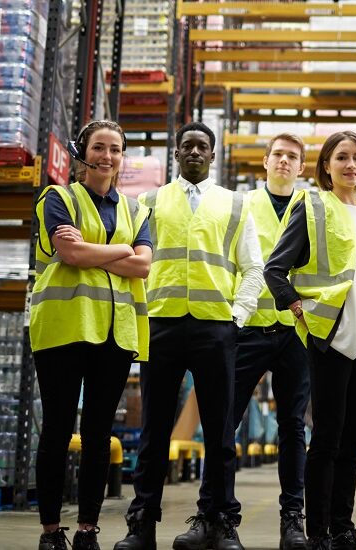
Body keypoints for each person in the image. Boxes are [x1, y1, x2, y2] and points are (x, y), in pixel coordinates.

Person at [114, 121, 262, 550]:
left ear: (212, 155)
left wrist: (237, 316)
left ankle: (220, 521)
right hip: (161, 325)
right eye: (187, 146)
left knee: (219, 433)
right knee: (154, 432)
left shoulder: (234, 204)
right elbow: (134, 261)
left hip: (215, 328)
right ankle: (142, 524)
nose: (195, 152)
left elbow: (252, 267)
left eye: (202, 146)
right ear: (176, 154)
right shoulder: (149, 202)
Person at [265, 131, 356, 550]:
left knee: (353, 441)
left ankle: (343, 528)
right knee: (327, 438)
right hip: (332, 337)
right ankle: (319, 533)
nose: (351, 165)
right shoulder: (312, 207)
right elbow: (275, 269)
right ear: (326, 166)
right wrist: (298, 308)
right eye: (341, 157)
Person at [31, 120, 152, 550]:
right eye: (99, 147)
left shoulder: (137, 210)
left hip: (115, 334)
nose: (107, 156)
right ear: (82, 152)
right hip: (63, 329)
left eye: (115, 149)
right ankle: (50, 532)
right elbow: (69, 252)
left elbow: (143, 266)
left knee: (99, 435)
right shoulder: (58, 198)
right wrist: (121, 249)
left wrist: (93, 252)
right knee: (57, 430)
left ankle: (87, 530)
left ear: (122, 157)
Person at [197, 133, 311, 550]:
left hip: (297, 332)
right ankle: (211, 515)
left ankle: (293, 519)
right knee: (223, 422)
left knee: (293, 427)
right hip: (247, 330)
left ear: (302, 168)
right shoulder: (241, 204)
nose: (284, 161)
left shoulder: (314, 209)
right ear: (264, 162)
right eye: (277, 154)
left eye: (292, 157)